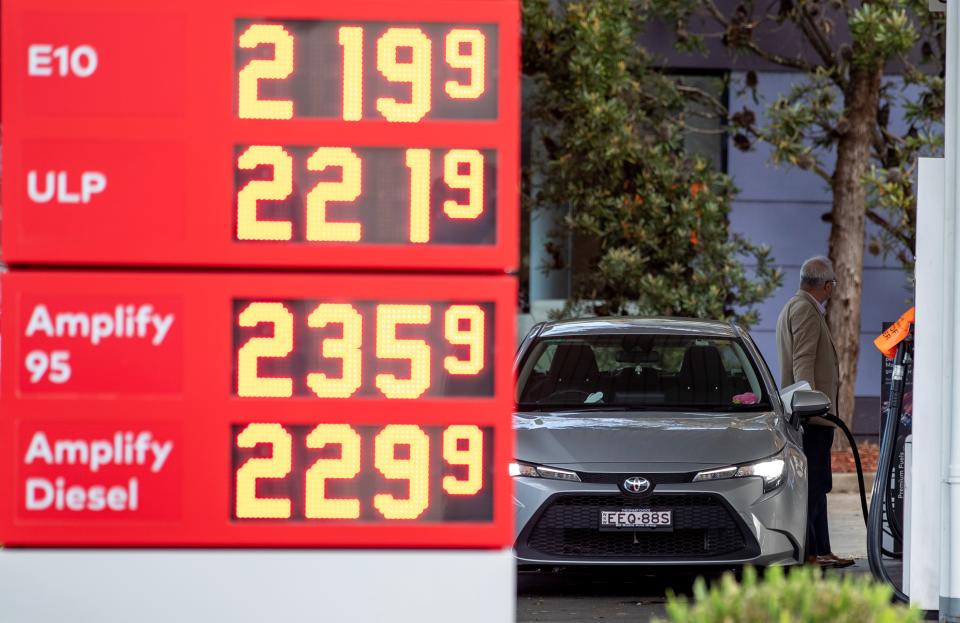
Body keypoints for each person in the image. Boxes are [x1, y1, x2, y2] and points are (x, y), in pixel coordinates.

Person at [776, 255, 855, 569]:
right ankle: (812, 551)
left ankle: (821, 549)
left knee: (817, 485)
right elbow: (803, 363)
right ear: (827, 284)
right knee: (814, 485)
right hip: (812, 418)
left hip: (812, 416)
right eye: (833, 283)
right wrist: (809, 406)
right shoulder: (805, 311)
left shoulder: (795, 308)